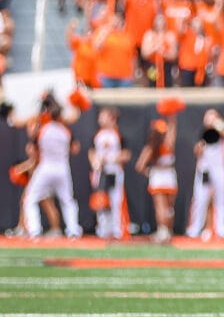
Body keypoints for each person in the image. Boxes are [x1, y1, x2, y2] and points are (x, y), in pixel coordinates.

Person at [22, 94, 83, 239]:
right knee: (67, 200)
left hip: (46, 166)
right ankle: (73, 230)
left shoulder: (43, 129)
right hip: (62, 167)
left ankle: (34, 230)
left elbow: (30, 149)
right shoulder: (65, 130)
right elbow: (75, 148)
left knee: (30, 199)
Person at [186, 109, 224, 239]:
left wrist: (218, 125)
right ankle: (195, 228)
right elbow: (197, 151)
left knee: (221, 200)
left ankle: (221, 229)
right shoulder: (202, 133)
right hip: (204, 170)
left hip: (219, 169)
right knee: (200, 199)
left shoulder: (222, 133)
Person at [89, 107, 131, 240]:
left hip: (114, 171)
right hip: (101, 172)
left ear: (112, 118)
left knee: (116, 201)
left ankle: (117, 230)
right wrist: (95, 163)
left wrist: (109, 159)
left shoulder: (118, 134)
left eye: (104, 116)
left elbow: (126, 154)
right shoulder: (98, 135)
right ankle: (103, 229)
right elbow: (92, 152)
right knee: (101, 201)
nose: (100, 119)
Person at [135, 116, 178, 243]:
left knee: (161, 206)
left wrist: (149, 172)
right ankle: (167, 231)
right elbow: (173, 132)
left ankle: (163, 231)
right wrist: (172, 118)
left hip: (158, 177)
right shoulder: (167, 145)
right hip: (169, 176)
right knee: (169, 208)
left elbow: (139, 166)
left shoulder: (150, 147)